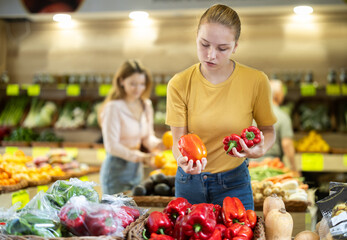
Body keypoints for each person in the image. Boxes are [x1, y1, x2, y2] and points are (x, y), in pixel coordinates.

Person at [165, 4, 277, 210]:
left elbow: (268, 131)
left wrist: (261, 148)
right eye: (204, 44)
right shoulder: (179, 83)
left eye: (222, 48)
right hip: (189, 182)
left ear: (235, 46)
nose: (211, 55)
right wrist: (182, 161)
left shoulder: (256, 81)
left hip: (235, 183)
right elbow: (178, 141)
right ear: (196, 37)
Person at [99, 59, 162, 195]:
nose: (138, 89)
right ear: (122, 81)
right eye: (133, 84)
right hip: (115, 171)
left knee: (134, 213)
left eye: (142, 84)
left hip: (136, 170)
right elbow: (111, 146)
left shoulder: (146, 105)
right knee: (116, 214)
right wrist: (140, 156)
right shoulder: (113, 107)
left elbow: (147, 137)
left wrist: (159, 144)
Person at [264, 79, 300, 175]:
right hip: (273, 166)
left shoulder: (253, 113)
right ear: (277, 95)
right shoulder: (282, 116)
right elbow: (286, 144)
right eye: (282, 93)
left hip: (251, 164)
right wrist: (294, 168)